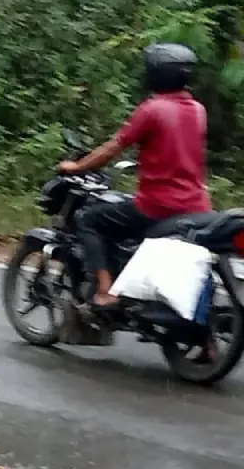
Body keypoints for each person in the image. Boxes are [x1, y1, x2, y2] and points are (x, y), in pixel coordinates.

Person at [57, 43, 212, 309]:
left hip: (158, 206)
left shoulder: (152, 109)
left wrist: (77, 166)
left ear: (155, 74)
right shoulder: (198, 110)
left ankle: (105, 292)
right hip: (197, 205)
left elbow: (114, 147)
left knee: (88, 219)